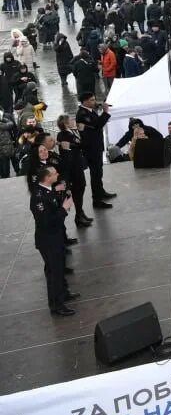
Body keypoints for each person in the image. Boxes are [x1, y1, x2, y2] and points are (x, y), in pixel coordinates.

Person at [30, 165, 78, 316]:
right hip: (48, 240)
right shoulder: (39, 197)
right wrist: (64, 208)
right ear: (47, 177)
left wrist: (61, 196)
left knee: (60, 267)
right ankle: (56, 305)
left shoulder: (48, 191)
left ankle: (63, 293)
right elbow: (48, 221)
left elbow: (53, 202)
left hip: (56, 237)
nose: (58, 173)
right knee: (54, 273)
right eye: (54, 173)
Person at [74, 92, 115, 209]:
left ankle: (101, 192)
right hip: (91, 149)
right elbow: (98, 125)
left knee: (99, 172)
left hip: (96, 146)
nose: (94, 102)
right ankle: (96, 200)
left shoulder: (90, 111)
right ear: (84, 101)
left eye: (94, 99)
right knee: (95, 174)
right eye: (92, 100)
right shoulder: (82, 114)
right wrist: (105, 112)